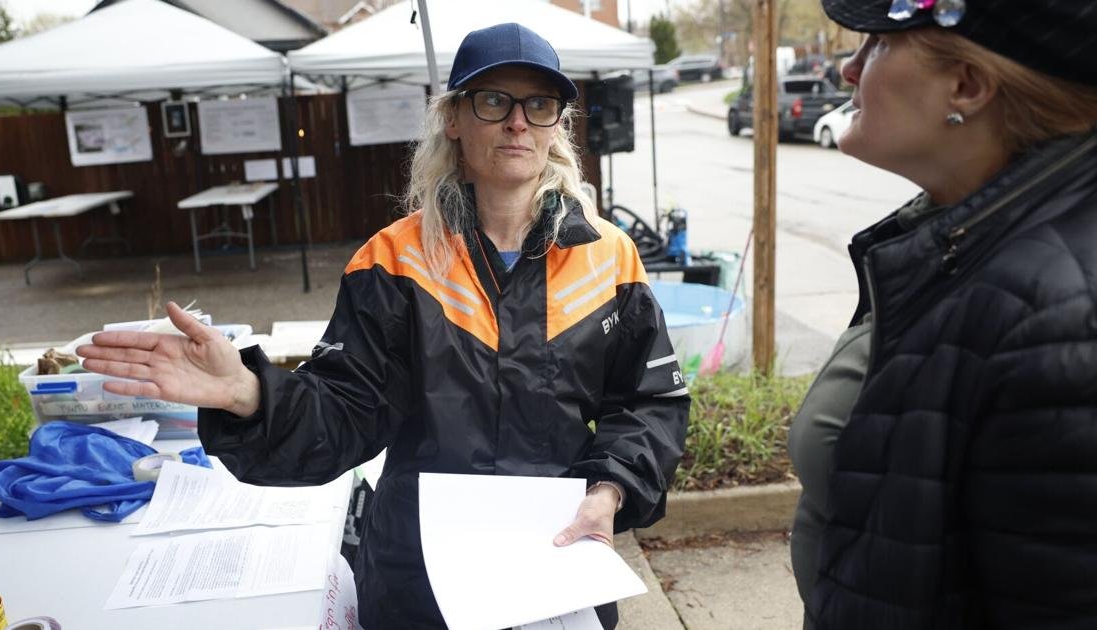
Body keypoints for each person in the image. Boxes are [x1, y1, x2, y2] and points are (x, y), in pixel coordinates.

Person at [77, 22, 688, 630]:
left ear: (558, 123)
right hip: (419, 573)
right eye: (494, 100)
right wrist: (250, 395)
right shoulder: (394, 260)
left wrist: (607, 491)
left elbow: (651, 402)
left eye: (540, 104)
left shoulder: (609, 258)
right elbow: (345, 412)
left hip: (559, 556)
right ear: (453, 118)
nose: (518, 122)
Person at [787, 0, 1097, 628]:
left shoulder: (1059, 319)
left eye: (876, 45)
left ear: (968, 85)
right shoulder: (958, 237)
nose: (848, 68)